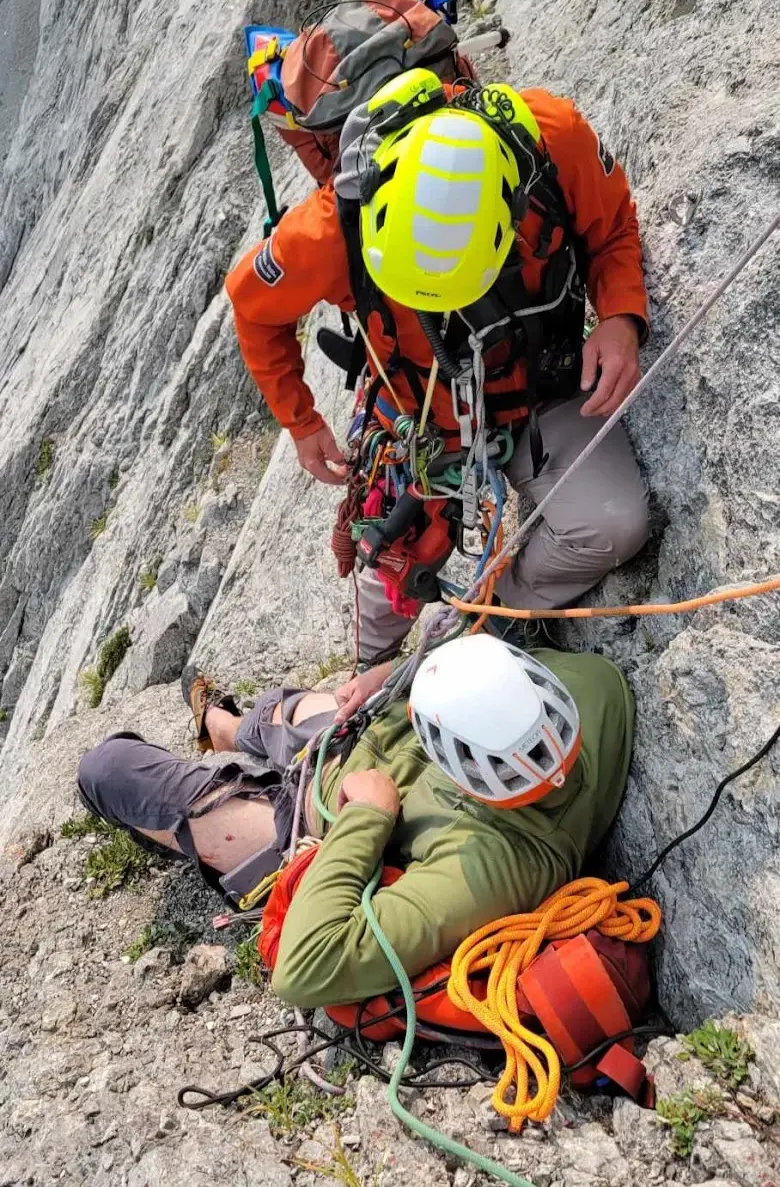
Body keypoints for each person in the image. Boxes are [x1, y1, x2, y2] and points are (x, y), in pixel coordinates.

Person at [226, 71, 651, 671]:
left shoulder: (552, 140)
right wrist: (300, 421)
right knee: (391, 564)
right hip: (417, 417)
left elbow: (612, 228)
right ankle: (370, 673)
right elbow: (251, 305)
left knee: (612, 523)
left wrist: (621, 316)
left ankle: (487, 622)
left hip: (541, 392)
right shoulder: (330, 227)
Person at [77, 635, 634, 1008]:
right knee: (285, 713)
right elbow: (478, 642)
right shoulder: (592, 682)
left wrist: (367, 818)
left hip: (309, 821)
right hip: (357, 734)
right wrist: (394, 674)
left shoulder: (492, 864)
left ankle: (227, 754)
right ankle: (225, 725)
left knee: (106, 770)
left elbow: (305, 969)